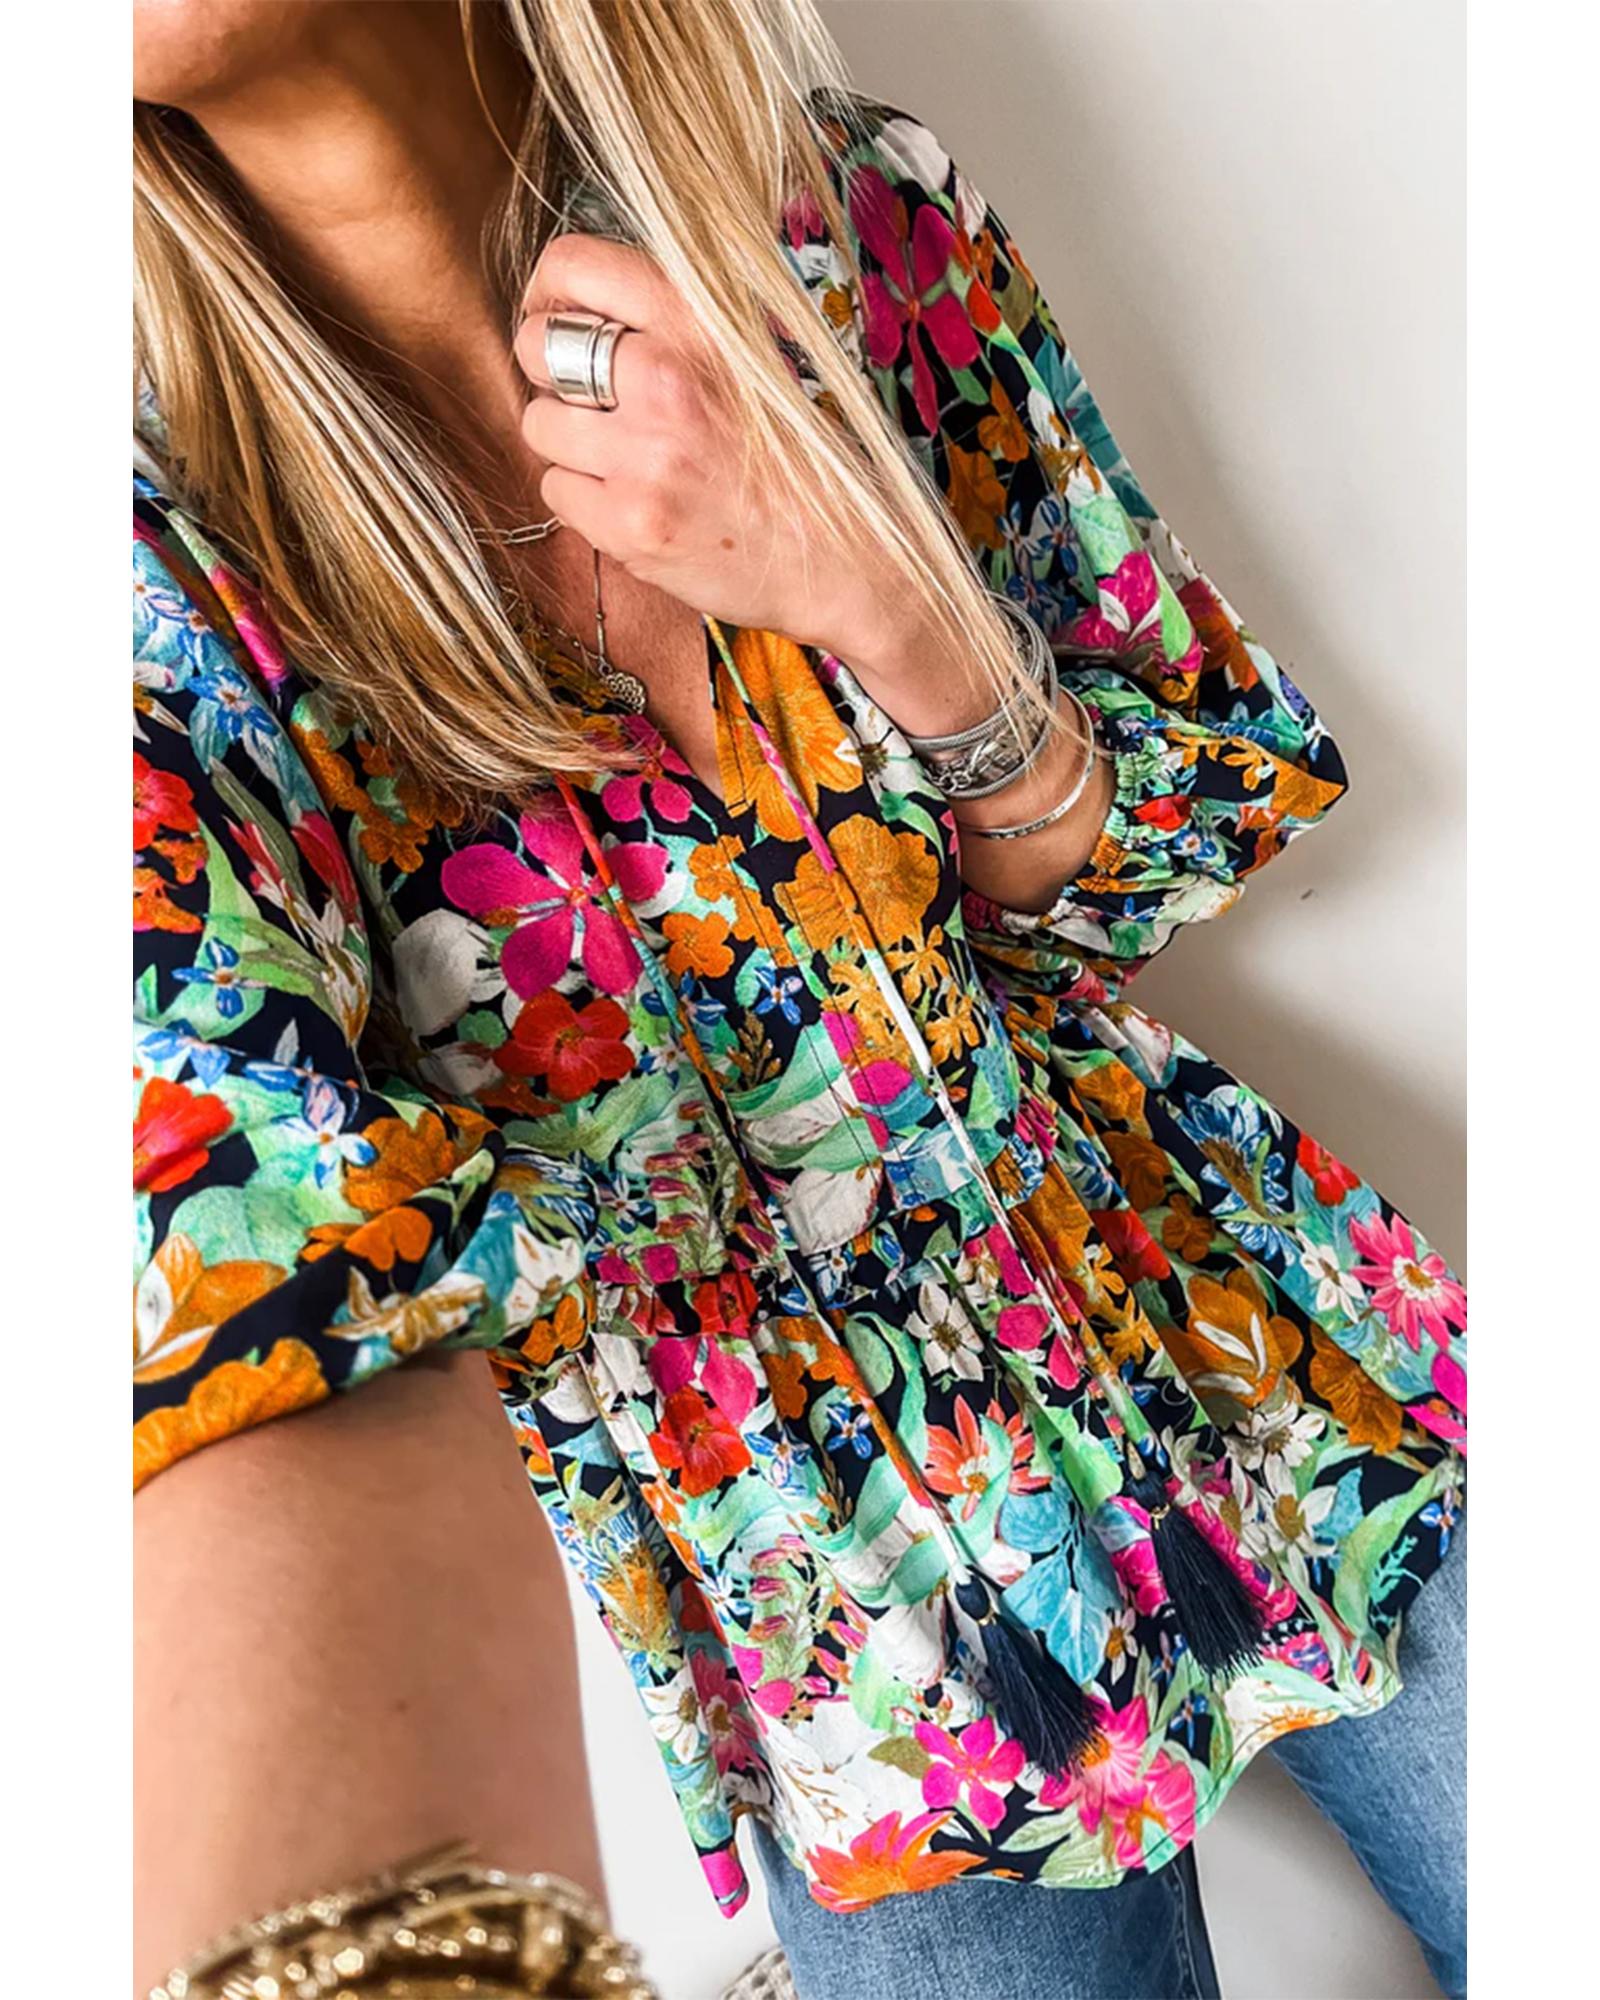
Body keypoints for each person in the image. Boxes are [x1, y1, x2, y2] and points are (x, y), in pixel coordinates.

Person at [132, 4, 1468, 1996]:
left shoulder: (842, 225)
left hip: (1251, 1346)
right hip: (835, 1636)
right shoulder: (146, 588)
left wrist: (886, 599)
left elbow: (1180, 830)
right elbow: (249, 1269)